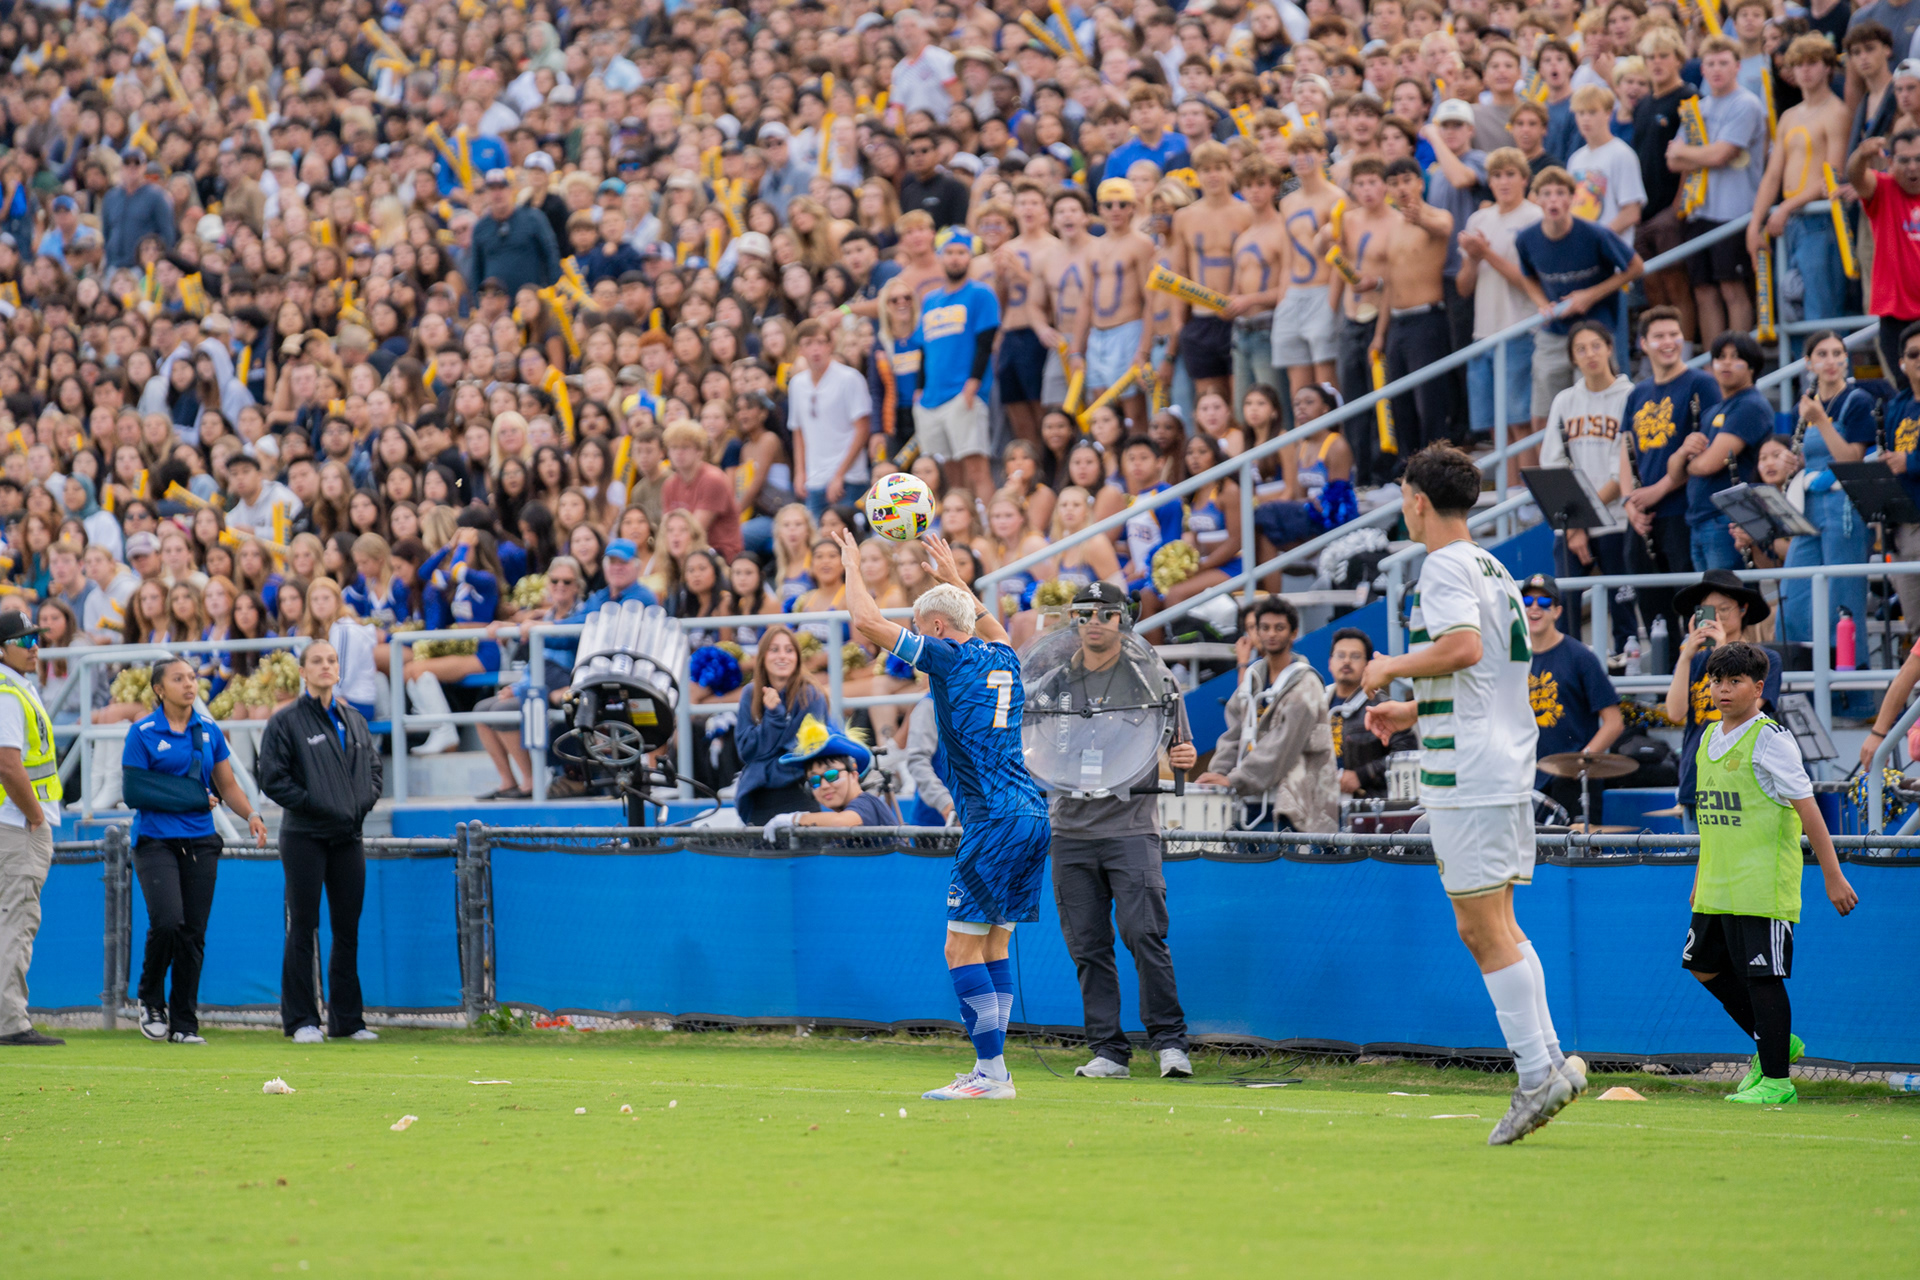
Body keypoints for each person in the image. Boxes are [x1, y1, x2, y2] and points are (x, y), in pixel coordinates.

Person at [1360, 445, 1587, 1145]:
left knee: (1480, 928)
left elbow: (1461, 648)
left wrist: (1389, 667)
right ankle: (1550, 1060)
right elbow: (1481, 674)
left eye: (1404, 494)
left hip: (1470, 772)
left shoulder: (1442, 566)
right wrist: (1413, 708)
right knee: (1501, 923)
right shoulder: (1492, 566)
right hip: (1498, 759)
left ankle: (1535, 1073)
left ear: (1418, 500)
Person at [836, 529, 1049, 1102]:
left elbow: (866, 622)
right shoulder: (1003, 653)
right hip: (1031, 813)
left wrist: (852, 564)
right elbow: (986, 621)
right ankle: (994, 1072)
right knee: (992, 946)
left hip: (992, 819)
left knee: (960, 949)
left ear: (934, 627)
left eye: (919, 624)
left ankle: (992, 1074)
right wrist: (955, 577)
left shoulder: (948, 658)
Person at [1029, 583, 1196, 1081]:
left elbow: (1181, 751)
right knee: (1087, 947)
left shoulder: (1154, 677)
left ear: (1125, 619)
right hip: (1069, 831)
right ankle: (1108, 1051)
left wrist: (1184, 759)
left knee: (1145, 936)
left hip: (1131, 829)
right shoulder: (1053, 682)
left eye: (1106, 613)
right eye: (1084, 613)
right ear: (1073, 620)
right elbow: (1033, 746)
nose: (1094, 621)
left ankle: (1170, 1044)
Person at [1684, 641, 1857, 1105]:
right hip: (1717, 883)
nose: (1723, 689)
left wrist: (1832, 875)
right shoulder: (1708, 736)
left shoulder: (1771, 740)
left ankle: (1778, 1082)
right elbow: (1709, 816)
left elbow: (1809, 810)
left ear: (1758, 687)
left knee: (1763, 978)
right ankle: (1775, 1041)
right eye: (1716, 681)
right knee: (1702, 967)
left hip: (1762, 884)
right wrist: (1700, 876)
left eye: (1735, 681)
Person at [122, 655, 267, 1044]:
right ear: (159, 689)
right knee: (168, 921)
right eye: (178, 679)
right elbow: (135, 791)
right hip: (155, 841)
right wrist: (190, 796)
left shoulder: (209, 729)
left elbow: (227, 785)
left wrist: (251, 814)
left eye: (191, 677)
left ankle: (185, 1022)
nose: (189, 684)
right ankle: (150, 998)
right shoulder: (142, 732)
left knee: (193, 933)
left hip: (201, 839)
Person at [256, 642, 384, 1044]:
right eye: (317, 661)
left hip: (348, 837)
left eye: (331, 660)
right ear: (303, 671)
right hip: (304, 837)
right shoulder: (286, 721)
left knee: (347, 929)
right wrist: (317, 805)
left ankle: (348, 1021)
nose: (326, 666)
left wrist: (358, 806)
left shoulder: (354, 719)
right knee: (303, 927)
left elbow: (374, 771)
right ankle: (301, 1020)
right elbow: (272, 778)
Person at [1195, 595, 1337, 832]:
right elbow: (1235, 733)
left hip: (1293, 805)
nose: (1271, 634)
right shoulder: (1253, 679)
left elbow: (1283, 744)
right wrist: (1217, 775)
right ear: (1257, 632)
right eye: (1265, 628)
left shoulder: (1306, 683)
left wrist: (1234, 780)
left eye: (1279, 628)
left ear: (1293, 633)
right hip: (1248, 799)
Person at [1620, 307, 1718, 641]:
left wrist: (1658, 490)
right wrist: (1629, 503)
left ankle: (1704, 670)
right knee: (1654, 615)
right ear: (1643, 343)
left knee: (1695, 605)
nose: (1669, 342)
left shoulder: (1702, 384)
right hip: (1644, 519)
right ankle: (1666, 672)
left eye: (1674, 335)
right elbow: (1625, 451)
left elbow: (1705, 452)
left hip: (1684, 512)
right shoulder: (1637, 393)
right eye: (1659, 336)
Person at [1515, 167, 1644, 420]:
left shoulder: (1595, 233)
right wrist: (1542, 303)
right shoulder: (1526, 238)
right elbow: (1527, 276)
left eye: (1560, 193)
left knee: (1597, 406)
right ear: (1536, 199)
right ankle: (1550, 449)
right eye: (1546, 193)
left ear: (1572, 198)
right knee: (1543, 412)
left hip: (1596, 328)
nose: (1553, 200)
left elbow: (1636, 267)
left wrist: (1590, 295)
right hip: (1554, 332)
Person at [1665, 568, 1785, 829]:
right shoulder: (1696, 661)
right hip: (1697, 780)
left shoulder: (1765, 659)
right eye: (1708, 611)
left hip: (1742, 781)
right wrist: (1686, 655)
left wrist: (1721, 651)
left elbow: (1745, 712)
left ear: (1743, 610)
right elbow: (1674, 712)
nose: (1716, 618)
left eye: (1724, 609)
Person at [0, 613, 64, 1046]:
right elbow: (8, 764)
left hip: (13, 820)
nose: (33, 646)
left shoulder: (15, 687)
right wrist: (36, 815)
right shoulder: (8, 693)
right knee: (17, 920)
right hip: (17, 823)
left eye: (35, 638)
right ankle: (10, 1021)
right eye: (23, 640)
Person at [1539, 320, 1632, 611]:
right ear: (1573, 358)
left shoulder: (1631, 397)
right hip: (1571, 529)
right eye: (1581, 349)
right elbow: (1552, 464)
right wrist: (1575, 526)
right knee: (1564, 611)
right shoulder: (1564, 401)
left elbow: (1623, 471)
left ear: (1609, 348)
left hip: (1616, 522)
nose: (1590, 354)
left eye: (1595, 346)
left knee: (1624, 612)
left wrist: (1581, 518)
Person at [1519, 574, 1625, 824]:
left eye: (1544, 602)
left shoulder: (1580, 657)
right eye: (1528, 601)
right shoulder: (1515, 659)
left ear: (1557, 611)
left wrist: (1580, 762)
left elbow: (1614, 722)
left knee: (1576, 846)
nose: (1534, 608)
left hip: (1574, 782)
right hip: (1526, 780)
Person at [914, 227, 1002, 497]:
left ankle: (989, 520)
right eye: (949, 252)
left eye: (962, 252)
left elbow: (985, 341)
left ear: (970, 257)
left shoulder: (981, 293)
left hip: (963, 393)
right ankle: (959, 519)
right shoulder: (930, 300)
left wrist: (973, 383)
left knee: (976, 467)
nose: (955, 258)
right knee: (948, 472)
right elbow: (923, 348)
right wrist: (919, 389)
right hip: (931, 398)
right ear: (940, 256)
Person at [1677, 332, 1774, 574]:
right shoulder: (1714, 410)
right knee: (1707, 596)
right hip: (1701, 520)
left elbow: (1709, 464)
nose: (1726, 363)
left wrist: (1688, 461)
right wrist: (1687, 457)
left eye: (1735, 357)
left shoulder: (1750, 405)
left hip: (1727, 521)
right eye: (1720, 357)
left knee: (1727, 593)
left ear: (1752, 366)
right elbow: (1684, 463)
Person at [732, 626, 831, 827]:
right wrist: (774, 716)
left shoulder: (811, 695)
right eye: (774, 649)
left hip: (797, 793)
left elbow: (801, 754)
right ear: (763, 657)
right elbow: (746, 750)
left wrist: (760, 770)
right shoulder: (750, 693)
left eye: (789, 650)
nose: (782, 656)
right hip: (757, 797)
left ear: (797, 657)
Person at [788, 317, 873, 519]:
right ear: (799, 350)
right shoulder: (796, 384)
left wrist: (839, 475)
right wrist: (800, 472)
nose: (815, 349)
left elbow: (862, 429)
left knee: (847, 534)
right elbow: (798, 431)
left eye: (820, 342)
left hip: (849, 478)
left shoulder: (850, 378)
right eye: (808, 343)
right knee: (817, 536)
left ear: (830, 345)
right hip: (814, 479)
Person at [762, 716, 900, 834]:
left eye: (832, 775)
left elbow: (842, 822)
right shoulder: (838, 818)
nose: (824, 786)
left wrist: (795, 819)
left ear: (853, 775)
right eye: (815, 780)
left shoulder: (866, 803)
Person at [1326, 627, 1419, 801]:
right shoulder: (1318, 704)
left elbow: (1406, 752)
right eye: (1340, 655)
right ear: (1330, 662)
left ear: (1368, 665)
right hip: (1323, 805)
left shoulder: (1381, 705)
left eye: (1355, 656)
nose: (1346, 661)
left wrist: (1363, 775)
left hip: (1367, 806)